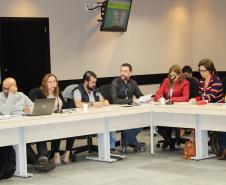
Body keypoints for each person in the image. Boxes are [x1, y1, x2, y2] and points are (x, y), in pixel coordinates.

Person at [0, 78, 55, 171]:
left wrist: (18, 108)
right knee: (21, 139)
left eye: (7, 88)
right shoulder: (0, 97)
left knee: (39, 131)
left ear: (15, 87)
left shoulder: (21, 95)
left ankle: (43, 159)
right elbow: (5, 111)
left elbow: (33, 106)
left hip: (27, 124)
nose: (5, 90)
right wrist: (12, 97)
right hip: (12, 129)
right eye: (3, 88)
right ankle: (37, 162)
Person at [73, 71, 125, 158]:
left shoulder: (95, 90)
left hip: (97, 117)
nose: (94, 84)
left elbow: (103, 100)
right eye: (92, 82)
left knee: (109, 123)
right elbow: (78, 104)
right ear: (86, 82)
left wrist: (105, 101)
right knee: (104, 124)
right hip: (83, 119)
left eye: (95, 82)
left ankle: (111, 149)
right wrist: (93, 104)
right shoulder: (78, 90)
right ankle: (107, 149)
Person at [29, 74, 74, 165]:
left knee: (72, 127)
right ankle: (56, 155)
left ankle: (67, 153)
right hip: (45, 122)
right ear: (45, 83)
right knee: (56, 128)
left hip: (59, 119)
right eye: (50, 82)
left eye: (54, 82)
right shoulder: (39, 94)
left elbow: (64, 106)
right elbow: (36, 108)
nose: (53, 84)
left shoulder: (57, 92)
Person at [190, 59, 225, 159]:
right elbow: (202, 97)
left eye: (203, 70)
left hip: (219, 111)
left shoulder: (216, 81)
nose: (201, 73)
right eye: (200, 70)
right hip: (206, 110)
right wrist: (194, 99)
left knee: (222, 126)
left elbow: (209, 98)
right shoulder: (202, 82)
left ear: (210, 70)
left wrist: (198, 102)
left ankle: (223, 149)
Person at [111, 63, 146, 153]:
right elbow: (115, 100)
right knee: (126, 126)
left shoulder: (133, 83)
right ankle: (134, 143)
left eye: (125, 71)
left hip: (130, 111)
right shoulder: (115, 82)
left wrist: (148, 98)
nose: (122, 73)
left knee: (144, 121)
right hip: (117, 112)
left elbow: (139, 96)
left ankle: (125, 139)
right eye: (121, 71)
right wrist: (131, 100)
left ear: (130, 73)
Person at [155, 64, 190, 150]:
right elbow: (159, 93)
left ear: (179, 75)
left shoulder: (185, 83)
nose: (172, 77)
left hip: (179, 111)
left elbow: (185, 98)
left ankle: (169, 142)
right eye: (171, 75)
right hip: (166, 109)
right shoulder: (166, 81)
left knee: (168, 122)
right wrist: (159, 99)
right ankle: (169, 141)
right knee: (158, 123)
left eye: (174, 75)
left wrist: (171, 99)